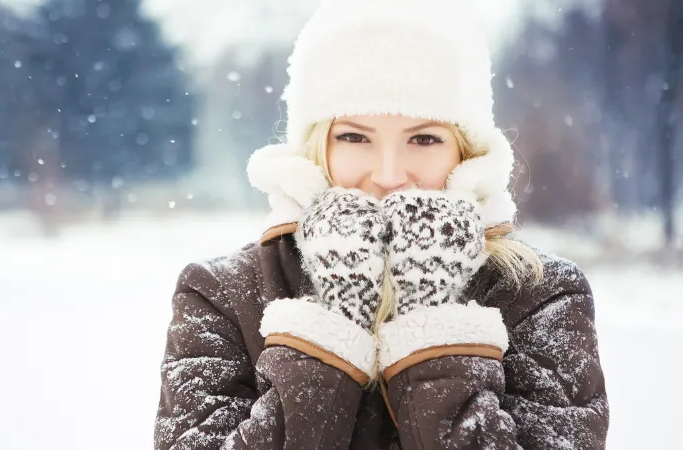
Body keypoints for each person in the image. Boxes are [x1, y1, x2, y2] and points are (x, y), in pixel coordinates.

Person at [153, 0, 609, 448]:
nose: (389, 175)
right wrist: (333, 326)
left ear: (465, 152)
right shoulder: (221, 295)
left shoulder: (541, 294)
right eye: (354, 136)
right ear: (318, 147)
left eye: (424, 138)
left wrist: (428, 317)